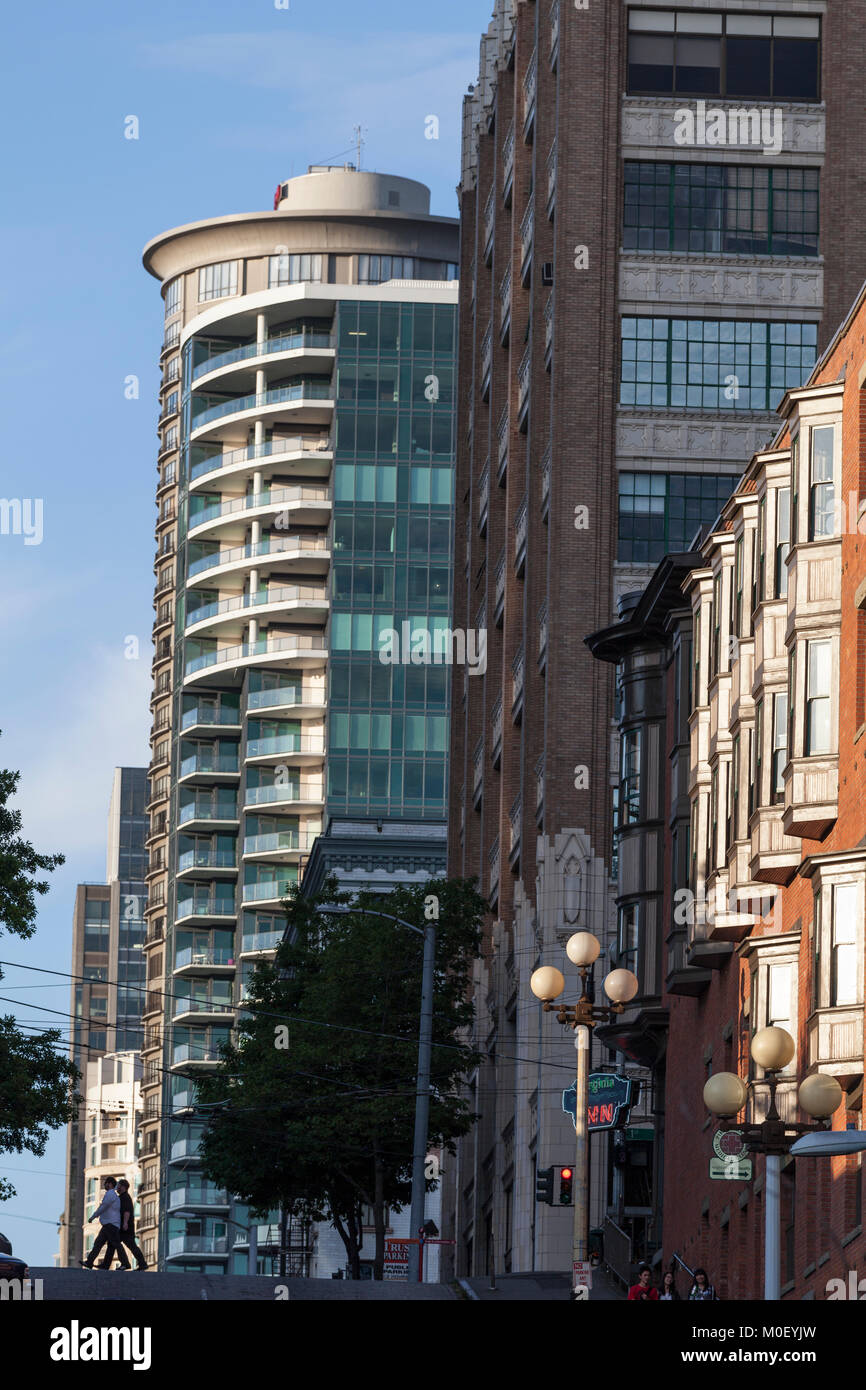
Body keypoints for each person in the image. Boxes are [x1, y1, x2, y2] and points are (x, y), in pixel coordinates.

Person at [80, 1176, 130, 1270]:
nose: (104, 1185)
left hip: (111, 1225)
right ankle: (92, 1262)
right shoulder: (112, 1195)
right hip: (109, 1224)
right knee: (102, 1244)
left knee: (115, 1244)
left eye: (105, 1183)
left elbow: (103, 1206)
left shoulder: (110, 1194)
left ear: (110, 1184)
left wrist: (93, 1216)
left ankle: (125, 1263)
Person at [114, 1179, 148, 1271]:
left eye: (119, 1185)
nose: (117, 1187)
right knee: (121, 1244)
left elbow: (127, 1212)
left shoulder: (125, 1197)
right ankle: (140, 1264)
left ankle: (128, 1264)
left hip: (126, 1227)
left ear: (123, 1187)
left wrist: (125, 1223)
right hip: (124, 1227)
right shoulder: (122, 1197)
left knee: (126, 1245)